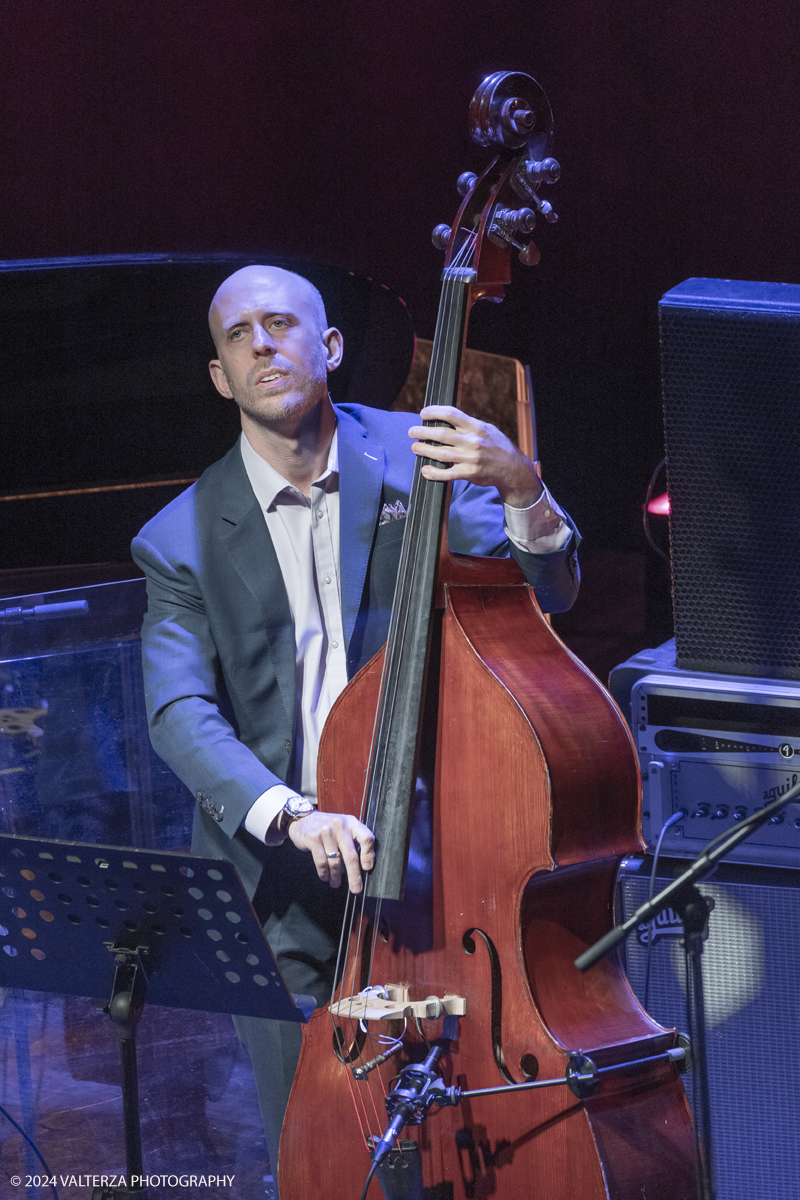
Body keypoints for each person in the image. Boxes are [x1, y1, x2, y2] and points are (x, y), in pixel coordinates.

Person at [131, 264, 580, 1181]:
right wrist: (292, 815)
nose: (263, 344)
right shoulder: (176, 538)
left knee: (460, 1124)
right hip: (276, 880)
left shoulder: (425, 457)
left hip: (431, 855)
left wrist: (526, 489)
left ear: (329, 347)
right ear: (220, 376)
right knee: (319, 1145)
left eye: (282, 324)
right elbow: (179, 713)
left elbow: (552, 598)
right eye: (238, 335)